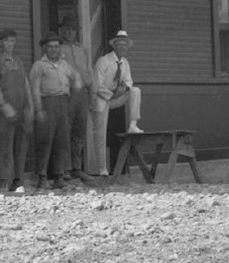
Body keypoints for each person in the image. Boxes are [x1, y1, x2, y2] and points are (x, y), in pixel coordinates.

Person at [29, 32, 84, 190]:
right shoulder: (39, 65)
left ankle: (59, 176)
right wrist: (39, 109)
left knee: (62, 141)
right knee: (45, 141)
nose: (53, 50)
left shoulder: (65, 65)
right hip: (47, 104)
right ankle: (42, 177)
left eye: (56, 47)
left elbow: (77, 80)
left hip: (63, 104)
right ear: (45, 48)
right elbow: (34, 89)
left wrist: (72, 102)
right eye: (50, 47)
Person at [91, 30, 143, 174]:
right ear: (114, 46)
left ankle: (133, 124)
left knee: (135, 91)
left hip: (115, 98)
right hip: (102, 99)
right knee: (100, 134)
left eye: (124, 45)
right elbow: (96, 85)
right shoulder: (104, 61)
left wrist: (124, 88)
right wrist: (111, 94)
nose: (122, 48)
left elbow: (129, 81)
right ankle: (102, 168)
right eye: (119, 45)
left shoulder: (125, 62)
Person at [0, 29, 33, 192]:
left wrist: (29, 107)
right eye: (7, 41)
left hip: (21, 108)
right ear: (1, 43)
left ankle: (18, 180)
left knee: (21, 145)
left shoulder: (19, 62)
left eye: (12, 41)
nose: (10, 44)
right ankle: (5, 180)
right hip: (6, 111)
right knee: (6, 145)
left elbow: (26, 86)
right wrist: (5, 107)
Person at [56, 22, 95, 179]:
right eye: (67, 29)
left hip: (82, 94)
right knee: (65, 130)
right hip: (68, 93)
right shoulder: (58, 48)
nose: (70, 32)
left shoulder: (82, 49)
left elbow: (89, 71)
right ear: (62, 31)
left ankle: (77, 168)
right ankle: (65, 169)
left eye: (72, 29)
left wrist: (92, 94)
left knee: (79, 131)